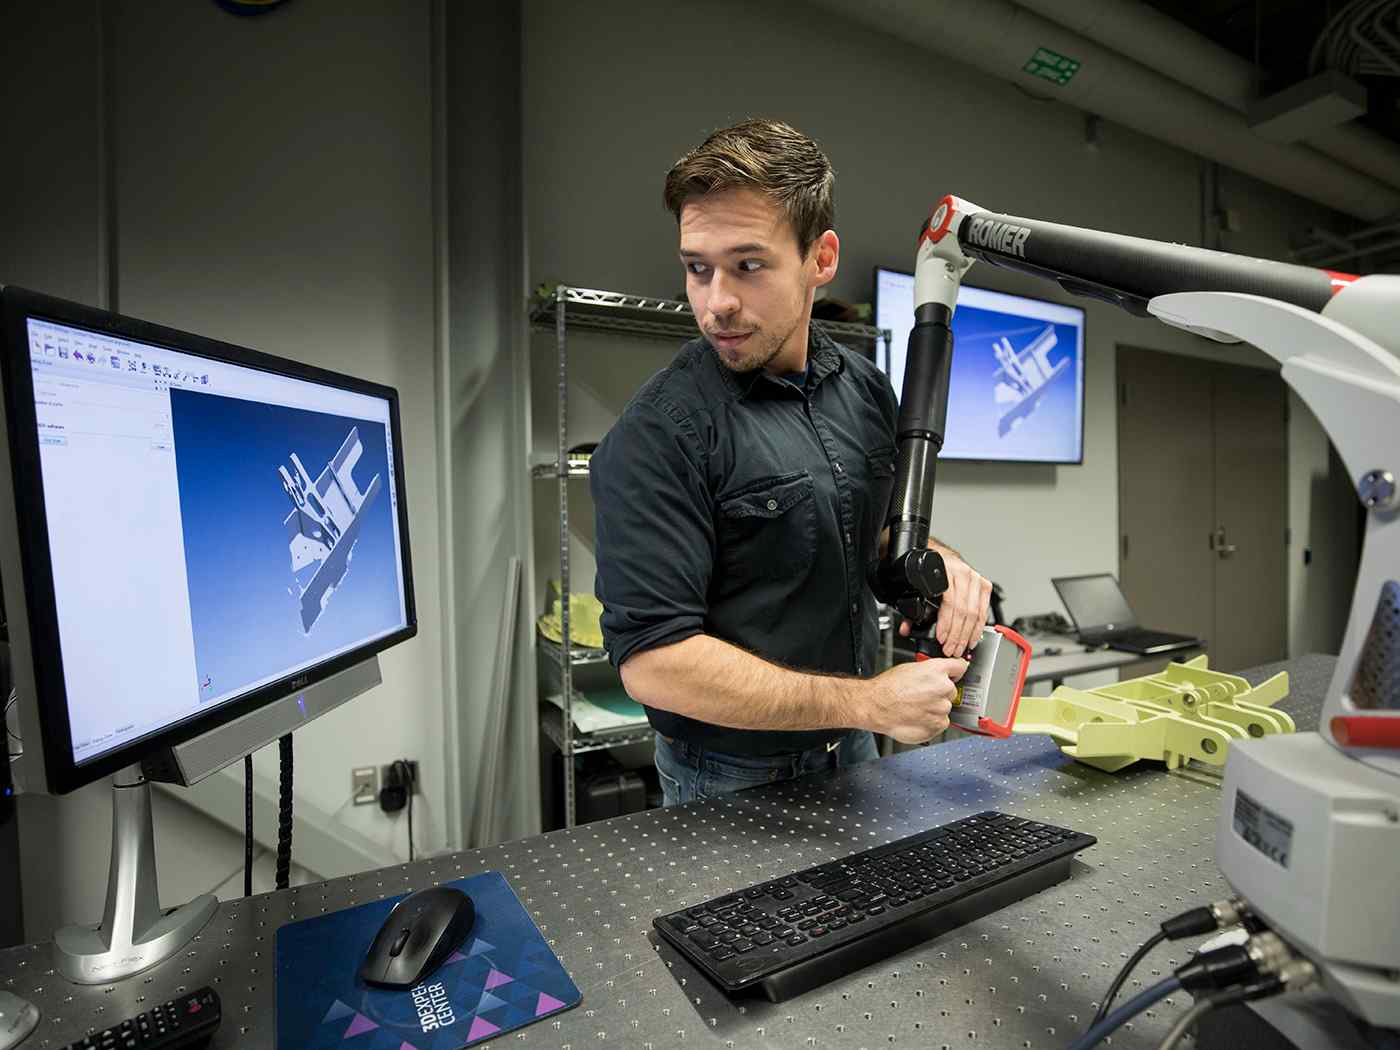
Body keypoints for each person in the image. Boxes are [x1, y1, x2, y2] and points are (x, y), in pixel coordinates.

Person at [590, 119, 992, 806]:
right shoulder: (663, 431)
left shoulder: (863, 387)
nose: (717, 302)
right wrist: (867, 703)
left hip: (854, 746)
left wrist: (942, 562)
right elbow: (656, 665)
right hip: (730, 781)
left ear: (821, 258)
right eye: (698, 268)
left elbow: (873, 533)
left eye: (748, 265)